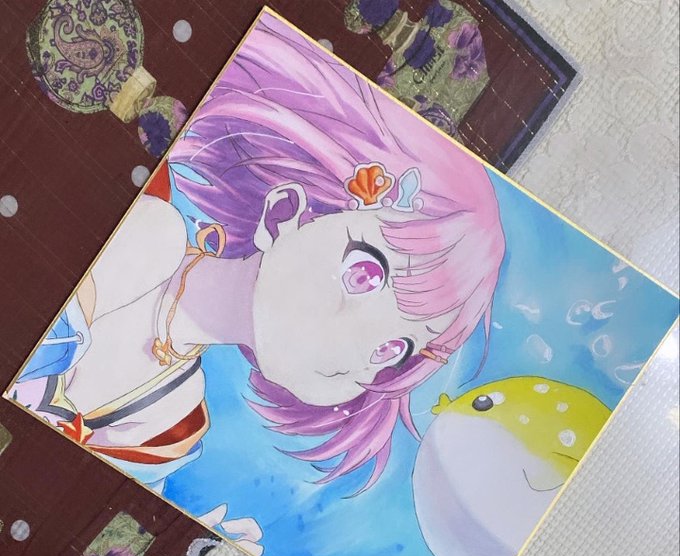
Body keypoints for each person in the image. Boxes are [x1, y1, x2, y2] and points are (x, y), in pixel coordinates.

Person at [7, 14, 505, 523]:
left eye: (396, 349)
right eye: (364, 275)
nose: (363, 349)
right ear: (283, 213)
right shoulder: (154, 233)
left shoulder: (174, 425)